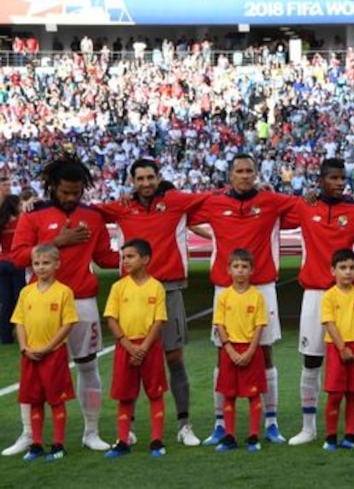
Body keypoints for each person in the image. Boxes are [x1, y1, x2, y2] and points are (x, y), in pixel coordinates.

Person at [5, 154, 119, 456]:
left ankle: (91, 432)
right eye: (65, 191)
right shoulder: (33, 216)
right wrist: (58, 241)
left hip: (82, 302)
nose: (71, 197)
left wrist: (141, 256)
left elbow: (105, 257)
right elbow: (18, 257)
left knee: (88, 365)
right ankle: (29, 435)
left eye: (76, 192)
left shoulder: (92, 217)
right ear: (53, 186)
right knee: (33, 368)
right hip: (40, 304)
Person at [96, 158, 210, 447]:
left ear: (158, 178)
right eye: (140, 178)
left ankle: (184, 425)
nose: (146, 183)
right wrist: (38, 204)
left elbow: (213, 197)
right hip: (131, 293)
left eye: (150, 177)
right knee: (131, 360)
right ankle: (129, 429)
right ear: (132, 181)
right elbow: (88, 212)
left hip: (169, 289)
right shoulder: (121, 207)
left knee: (174, 358)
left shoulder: (175, 201)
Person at [191, 153, 297, 446]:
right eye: (239, 171)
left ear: (256, 173)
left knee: (265, 352)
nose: (245, 175)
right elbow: (181, 214)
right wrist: (211, 235)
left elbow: (305, 205)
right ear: (230, 175)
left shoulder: (271, 201)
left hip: (262, 287)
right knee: (221, 353)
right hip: (225, 289)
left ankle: (271, 422)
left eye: (249, 171)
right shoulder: (214, 202)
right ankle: (220, 424)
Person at [282, 158, 354, 446]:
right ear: (321, 180)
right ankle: (308, 428)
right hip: (315, 294)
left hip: (350, 295)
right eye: (333, 178)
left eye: (342, 178)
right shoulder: (304, 206)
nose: (339, 183)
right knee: (312, 360)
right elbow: (273, 213)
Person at [103, 239, 168, 459]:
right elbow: (111, 318)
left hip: (150, 347)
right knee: (125, 396)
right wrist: (129, 346)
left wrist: (143, 348)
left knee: (155, 393)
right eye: (124, 257)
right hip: (126, 347)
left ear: (145, 259)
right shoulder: (118, 287)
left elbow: (159, 320)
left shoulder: (156, 287)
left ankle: (156, 440)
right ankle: (122, 440)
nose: (126, 261)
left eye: (130, 256)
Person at [11, 244, 77, 462]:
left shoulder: (64, 292)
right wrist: (24, 348)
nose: (40, 267)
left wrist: (48, 348)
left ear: (57, 264)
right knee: (34, 400)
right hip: (30, 355)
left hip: (54, 355)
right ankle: (36, 444)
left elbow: (68, 324)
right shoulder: (26, 292)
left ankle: (58, 444)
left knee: (56, 400)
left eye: (46, 263)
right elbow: (19, 322)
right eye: (36, 263)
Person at [212, 249, 268, 453]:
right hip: (230, 351)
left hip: (251, 350)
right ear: (229, 270)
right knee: (229, 394)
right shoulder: (223, 296)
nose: (240, 270)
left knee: (253, 395)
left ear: (252, 270)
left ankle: (253, 435)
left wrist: (250, 351)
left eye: (244, 266)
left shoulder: (257, 296)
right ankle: (230, 436)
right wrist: (229, 349)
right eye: (236, 266)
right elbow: (219, 324)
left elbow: (259, 326)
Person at [321, 248, 354, 451]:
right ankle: (331, 436)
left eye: (352, 267)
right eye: (343, 268)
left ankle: (350, 435)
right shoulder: (328, 296)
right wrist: (342, 347)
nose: (348, 272)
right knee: (335, 395)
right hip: (337, 348)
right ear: (333, 270)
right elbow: (329, 323)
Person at [1, 172, 28, 345]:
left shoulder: (2, 222)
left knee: (5, 301)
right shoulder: (22, 221)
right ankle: (23, 333)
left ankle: (4, 335)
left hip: (2, 262)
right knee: (20, 300)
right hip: (17, 262)